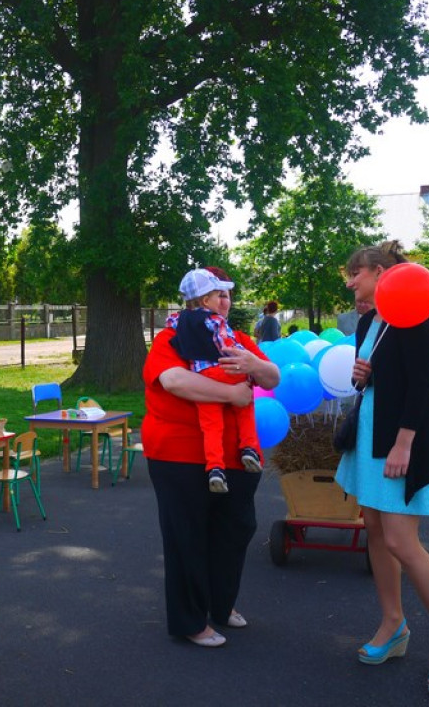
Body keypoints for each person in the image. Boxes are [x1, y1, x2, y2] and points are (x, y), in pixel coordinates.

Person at [336, 241, 429, 696]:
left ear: (377, 271)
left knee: (400, 542)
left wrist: (404, 444)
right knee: (374, 530)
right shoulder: (370, 320)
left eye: (355, 273)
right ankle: (393, 625)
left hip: (401, 444)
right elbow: (377, 379)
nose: (350, 282)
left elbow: (420, 387)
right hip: (370, 439)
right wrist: (363, 374)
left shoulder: (411, 313)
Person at [143, 266, 280, 648]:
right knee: (187, 536)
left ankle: (220, 605)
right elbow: (174, 381)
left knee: (235, 530)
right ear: (198, 301)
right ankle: (190, 621)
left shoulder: (236, 339)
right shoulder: (171, 338)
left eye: (228, 295)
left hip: (236, 456)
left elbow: (272, 378)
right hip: (180, 454)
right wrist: (233, 395)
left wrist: (255, 366)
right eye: (219, 294)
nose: (226, 300)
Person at [170, 268, 263, 493]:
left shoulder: (177, 319)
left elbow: (173, 330)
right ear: (205, 299)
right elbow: (226, 343)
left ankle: (215, 469)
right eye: (218, 295)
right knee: (244, 404)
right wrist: (246, 364)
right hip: (226, 370)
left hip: (203, 377)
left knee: (211, 426)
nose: (224, 301)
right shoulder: (214, 320)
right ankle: (249, 447)